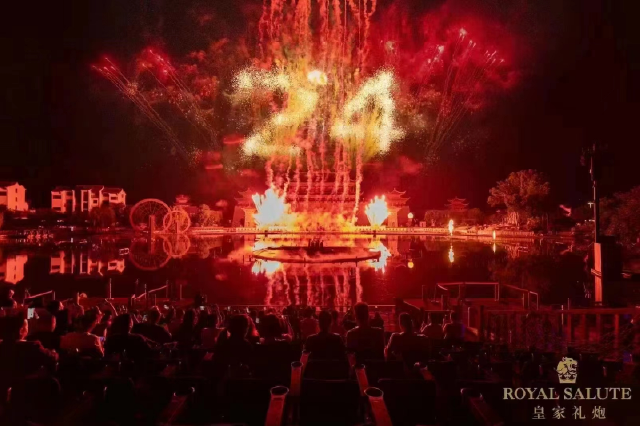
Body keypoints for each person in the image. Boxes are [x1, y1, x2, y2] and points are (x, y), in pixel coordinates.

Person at [0, 316, 58, 388]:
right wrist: (53, 352)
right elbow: (52, 358)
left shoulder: (3, 347)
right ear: (21, 331)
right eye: (27, 326)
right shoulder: (33, 346)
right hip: (28, 389)